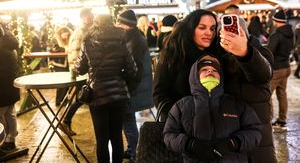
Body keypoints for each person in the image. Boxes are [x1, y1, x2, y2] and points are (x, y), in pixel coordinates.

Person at [153, 9, 276, 162]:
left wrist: (245, 51)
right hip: (187, 137)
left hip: (237, 136)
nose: (208, 33)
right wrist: (178, 119)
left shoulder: (232, 54)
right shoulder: (174, 54)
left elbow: (262, 75)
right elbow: (160, 93)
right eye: (202, 27)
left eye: (212, 29)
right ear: (191, 27)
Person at [164, 54, 262, 162]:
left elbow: (255, 131)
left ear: (221, 76)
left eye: (215, 70)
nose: (210, 72)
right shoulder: (181, 106)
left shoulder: (236, 104)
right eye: (204, 69)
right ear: (195, 76)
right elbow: (169, 135)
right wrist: (190, 144)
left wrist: (233, 143)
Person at [76, 14, 138, 163]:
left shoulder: (88, 41)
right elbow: (132, 69)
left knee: (101, 139)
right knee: (116, 136)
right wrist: (119, 76)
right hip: (118, 95)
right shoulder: (121, 40)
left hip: (97, 95)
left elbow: (80, 68)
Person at [116, 9, 153, 162]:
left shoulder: (133, 40)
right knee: (128, 118)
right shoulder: (136, 36)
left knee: (128, 121)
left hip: (132, 87)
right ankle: (132, 149)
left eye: (119, 22)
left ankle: (135, 154)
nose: (116, 24)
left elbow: (133, 68)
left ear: (126, 25)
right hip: (136, 85)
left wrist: (127, 88)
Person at [60, 7, 94, 136]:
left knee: (84, 98)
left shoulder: (88, 30)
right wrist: (78, 71)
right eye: (87, 15)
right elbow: (75, 54)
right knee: (83, 97)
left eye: (91, 14)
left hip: (85, 71)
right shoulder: (81, 32)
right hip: (83, 73)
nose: (90, 17)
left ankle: (66, 121)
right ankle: (65, 120)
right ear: (83, 18)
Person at [267, 9, 294, 129]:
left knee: (266, 95)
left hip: (277, 69)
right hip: (286, 67)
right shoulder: (290, 33)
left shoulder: (276, 35)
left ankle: (268, 119)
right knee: (282, 94)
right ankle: (282, 120)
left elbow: (269, 52)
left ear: (276, 21)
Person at [0, 23, 20, 155]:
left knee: (2, 116)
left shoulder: (1, 49)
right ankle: (10, 140)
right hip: (10, 87)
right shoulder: (10, 45)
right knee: (10, 114)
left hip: (2, 89)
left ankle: (4, 142)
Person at [48, 26, 72, 106]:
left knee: (66, 82)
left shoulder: (65, 40)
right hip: (58, 63)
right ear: (61, 34)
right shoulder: (55, 41)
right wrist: (65, 49)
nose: (66, 37)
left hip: (64, 63)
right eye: (65, 35)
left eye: (67, 35)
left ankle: (64, 99)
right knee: (62, 83)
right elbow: (53, 51)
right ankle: (59, 100)